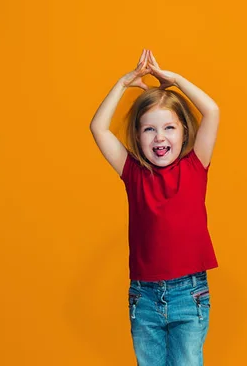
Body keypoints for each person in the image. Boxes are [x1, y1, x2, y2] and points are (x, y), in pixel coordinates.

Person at [89, 48, 220, 365]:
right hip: (144, 298)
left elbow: (212, 111)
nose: (159, 137)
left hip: (189, 295)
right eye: (149, 129)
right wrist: (123, 83)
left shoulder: (195, 165)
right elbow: (98, 128)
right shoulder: (133, 173)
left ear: (184, 131)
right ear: (137, 135)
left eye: (169, 128)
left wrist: (172, 80)